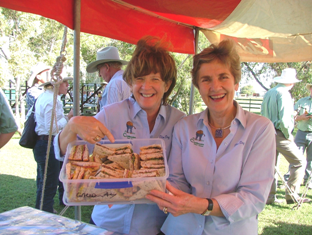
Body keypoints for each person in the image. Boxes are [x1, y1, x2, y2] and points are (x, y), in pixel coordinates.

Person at [55, 36, 186, 234]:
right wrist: (72, 126)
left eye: (155, 79)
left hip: (154, 227)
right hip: (107, 223)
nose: (146, 86)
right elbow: (68, 153)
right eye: (139, 79)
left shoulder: (179, 122)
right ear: (131, 82)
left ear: (166, 85)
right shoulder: (111, 114)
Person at [145, 40, 276, 235]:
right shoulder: (184, 127)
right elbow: (176, 179)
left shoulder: (260, 129)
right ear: (198, 86)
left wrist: (201, 205)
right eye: (206, 79)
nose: (215, 87)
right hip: (181, 229)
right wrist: (168, 196)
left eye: (223, 77)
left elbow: (253, 198)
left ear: (236, 82)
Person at [261, 68, 309, 204]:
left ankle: (269, 197)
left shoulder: (269, 93)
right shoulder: (284, 94)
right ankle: (292, 195)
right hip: (280, 133)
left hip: (268, 132)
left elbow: (263, 113)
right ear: (291, 83)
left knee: (271, 165)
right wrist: (288, 135)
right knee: (299, 162)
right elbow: (284, 120)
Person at [33, 77, 73, 213]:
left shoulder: (46, 97)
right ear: (56, 84)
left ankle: (43, 208)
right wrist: (68, 118)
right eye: (65, 83)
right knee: (49, 182)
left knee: (44, 180)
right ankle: (45, 211)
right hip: (47, 143)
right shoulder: (51, 100)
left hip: (44, 143)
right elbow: (52, 128)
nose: (67, 85)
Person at [293, 83, 312, 189]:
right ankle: (291, 178)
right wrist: (301, 117)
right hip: (301, 132)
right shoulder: (302, 101)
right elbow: (293, 116)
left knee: (311, 159)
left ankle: (308, 181)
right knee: (296, 157)